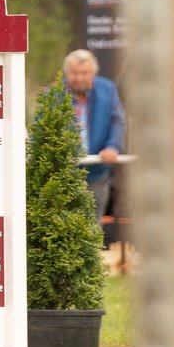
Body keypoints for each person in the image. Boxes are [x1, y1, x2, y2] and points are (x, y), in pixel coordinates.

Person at [62, 48, 126, 224]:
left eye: (85, 73)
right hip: (64, 175)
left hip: (97, 172)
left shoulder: (108, 89)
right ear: (67, 73)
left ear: (93, 73)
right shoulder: (54, 94)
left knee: (92, 228)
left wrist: (113, 146)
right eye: (75, 73)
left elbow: (117, 121)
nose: (80, 78)